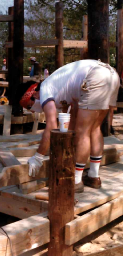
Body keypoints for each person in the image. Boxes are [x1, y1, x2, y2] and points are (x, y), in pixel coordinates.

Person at [17, 59, 120, 193]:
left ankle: (76, 180)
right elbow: (73, 118)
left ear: (33, 94)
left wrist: (38, 156)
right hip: (111, 75)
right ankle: (93, 177)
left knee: (83, 132)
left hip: (95, 76)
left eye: (29, 106)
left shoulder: (44, 90)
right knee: (94, 129)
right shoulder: (62, 87)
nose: (32, 111)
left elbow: (51, 126)